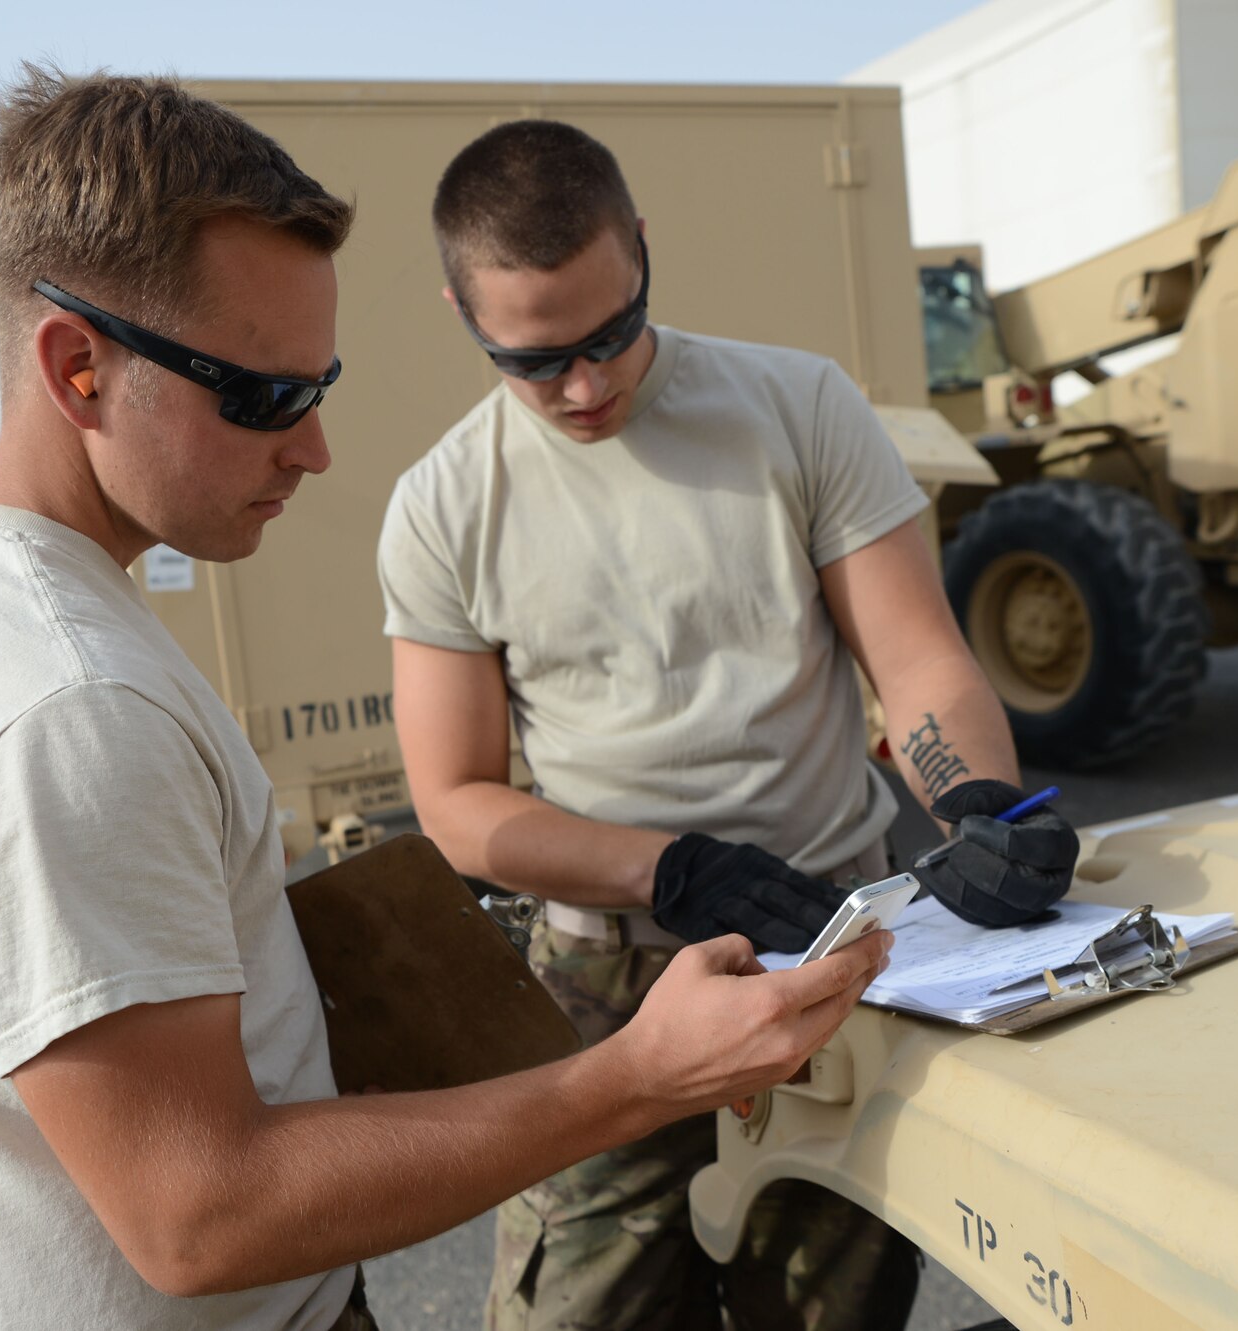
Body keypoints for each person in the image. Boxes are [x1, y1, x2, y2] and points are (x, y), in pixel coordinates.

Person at [0, 68, 894, 1331]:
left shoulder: (55, 619)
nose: (313, 447)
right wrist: (631, 1077)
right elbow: (201, 1213)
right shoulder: (63, 710)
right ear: (77, 369)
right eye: (265, 396)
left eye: (317, 387)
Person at [377, 120, 1081, 1330]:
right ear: (462, 313)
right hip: (605, 978)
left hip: (828, 937)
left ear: (641, 250)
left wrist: (973, 798)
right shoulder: (442, 507)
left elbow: (913, 655)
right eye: (536, 362)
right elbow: (454, 802)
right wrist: (673, 866)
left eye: (609, 335)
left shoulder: (795, 406)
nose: (587, 387)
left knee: (825, 1304)